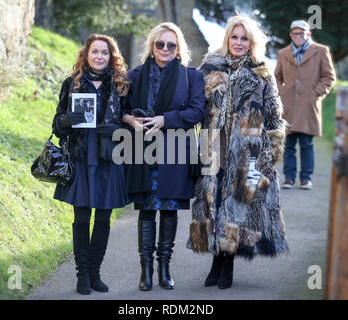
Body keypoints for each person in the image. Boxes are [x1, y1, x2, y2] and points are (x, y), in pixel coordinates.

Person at [188, 15, 289, 289]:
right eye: (235, 37)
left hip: (248, 153)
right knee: (213, 205)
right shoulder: (208, 68)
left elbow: (274, 115)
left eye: (245, 38)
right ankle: (215, 260)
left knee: (237, 208)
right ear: (227, 39)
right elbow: (195, 107)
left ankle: (227, 263)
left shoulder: (262, 72)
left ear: (251, 42)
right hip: (213, 150)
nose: (239, 42)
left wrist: (273, 149)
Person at [122, 22, 205, 291]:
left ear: (179, 48)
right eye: (160, 44)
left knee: (169, 211)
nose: (165, 49)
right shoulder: (134, 75)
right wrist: (128, 118)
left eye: (171, 44)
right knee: (146, 210)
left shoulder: (191, 77)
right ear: (152, 46)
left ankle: (164, 269)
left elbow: (196, 112)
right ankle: (145, 271)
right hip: (142, 150)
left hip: (176, 150)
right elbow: (119, 109)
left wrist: (165, 119)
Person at [52, 34, 130, 294]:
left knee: (104, 218)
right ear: (85, 55)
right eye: (94, 52)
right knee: (82, 216)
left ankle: (96, 273)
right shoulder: (71, 84)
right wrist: (66, 120)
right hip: (81, 157)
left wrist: (118, 128)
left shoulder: (120, 86)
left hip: (109, 157)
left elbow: (129, 121)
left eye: (104, 53)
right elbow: (57, 124)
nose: (99, 56)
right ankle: (82, 275)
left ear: (111, 57)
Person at [275, 20, 336, 190]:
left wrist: (316, 93)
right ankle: (288, 177)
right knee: (288, 144)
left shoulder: (321, 51)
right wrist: (281, 92)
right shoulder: (283, 53)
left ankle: (306, 178)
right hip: (288, 106)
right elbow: (276, 77)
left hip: (309, 105)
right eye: (295, 33)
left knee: (307, 144)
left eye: (302, 33)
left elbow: (328, 77)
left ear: (308, 34)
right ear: (291, 35)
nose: (299, 36)